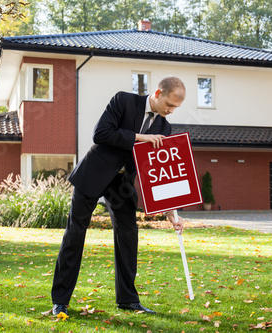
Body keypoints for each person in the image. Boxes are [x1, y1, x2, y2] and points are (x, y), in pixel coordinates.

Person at [51, 76, 186, 316]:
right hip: (93, 174)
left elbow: (160, 173)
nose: (171, 111)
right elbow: (101, 133)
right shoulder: (123, 100)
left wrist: (172, 213)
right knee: (75, 233)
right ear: (157, 93)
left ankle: (128, 299)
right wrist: (140, 138)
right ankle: (60, 300)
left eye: (176, 108)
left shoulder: (165, 127)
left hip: (122, 185)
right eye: (170, 105)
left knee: (128, 235)